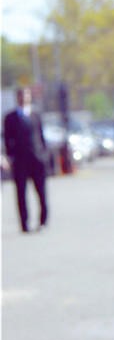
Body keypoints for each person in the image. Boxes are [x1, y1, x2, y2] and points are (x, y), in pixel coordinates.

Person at [3, 86, 49, 233]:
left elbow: (41, 136)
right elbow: (7, 139)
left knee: (41, 192)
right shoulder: (10, 118)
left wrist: (44, 155)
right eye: (21, 95)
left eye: (26, 95)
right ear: (17, 97)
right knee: (21, 194)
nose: (24, 98)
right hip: (20, 160)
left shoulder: (36, 115)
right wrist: (9, 157)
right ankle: (24, 224)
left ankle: (43, 220)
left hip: (37, 159)